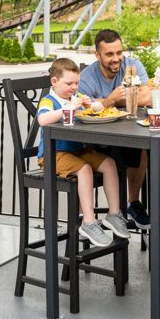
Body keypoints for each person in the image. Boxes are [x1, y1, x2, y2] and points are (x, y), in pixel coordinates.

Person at [36, 57, 131, 248]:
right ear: (54, 82)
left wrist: (89, 104)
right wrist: (66, 109)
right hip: (53, 155)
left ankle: (113, 214)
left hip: (77, 151)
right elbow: (43, 119)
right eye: (69, 83)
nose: (74, 87)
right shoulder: (49, 100)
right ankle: (88, 221)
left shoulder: (75, 97)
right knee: (85, 169)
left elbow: (97, 107)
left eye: (77, 83)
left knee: (109, 164)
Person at [76, 28, 153, 230]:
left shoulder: (132, 65)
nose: (116, 59)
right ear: (97, 55)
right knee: (127, 152)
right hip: (96, 140)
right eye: (109, 54)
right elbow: (84, 108)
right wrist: (112, 99)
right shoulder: (87, 76)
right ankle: (94, 216)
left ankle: (133, 204)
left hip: (128, 133)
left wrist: (113, 100)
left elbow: (148, 97)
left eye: (119, 52)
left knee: (142, 149)